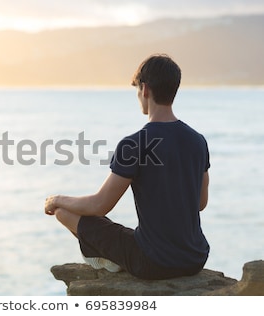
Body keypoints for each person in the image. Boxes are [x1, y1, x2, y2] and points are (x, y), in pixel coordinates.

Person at [44, 54, 210, 280]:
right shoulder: (197, 140)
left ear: (145, 90)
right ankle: (112, 256)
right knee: (123, 233)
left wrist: (58, 199)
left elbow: (100, 205)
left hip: (153, 262)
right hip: (195, 258)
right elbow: (200, 203)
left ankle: (108, 259)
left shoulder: (134, 144)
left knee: (64, 213)